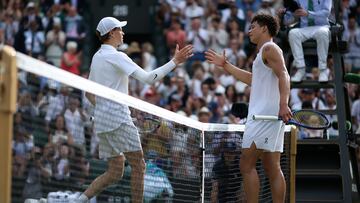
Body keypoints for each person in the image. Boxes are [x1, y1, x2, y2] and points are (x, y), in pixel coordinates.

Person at [76, 17, 193, 203]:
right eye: (119, 29)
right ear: (112, 33)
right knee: (139, 165)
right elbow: (148, 78)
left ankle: (78, 200)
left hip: (101, 121)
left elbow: (89, 94)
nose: (122, 32)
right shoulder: (117, 56)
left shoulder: (97, 57)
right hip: (118, 118)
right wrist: (175, 61)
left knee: (115, 171)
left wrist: (104, 108)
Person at [205, 14, 292, 203]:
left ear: (264, 29)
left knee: (246, 165)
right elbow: (253, 80)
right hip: (270, 116)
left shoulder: (269, 48)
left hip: (263, 116)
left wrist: (283, 103)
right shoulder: (263, 53)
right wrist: (226, 65)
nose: (249, 30)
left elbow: (284, 74)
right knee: (271, 167)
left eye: (253, 27)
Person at [280, 0, 333, 82]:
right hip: (304, 28)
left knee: (322, 33)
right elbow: (288, 21)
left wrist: (308, 13)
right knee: (293, 33)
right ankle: (301, 70)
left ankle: (323, 70)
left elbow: (326, 13)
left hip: (322, 26)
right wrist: (283, 15)